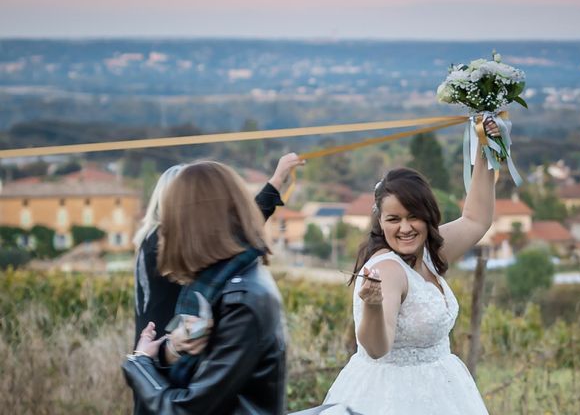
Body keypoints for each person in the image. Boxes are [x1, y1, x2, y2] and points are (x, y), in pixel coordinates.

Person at [323, 120, 500, 414]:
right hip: (394, 397)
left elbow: (476, 219)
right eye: (393, 219)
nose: (405, 228)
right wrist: (373, 305)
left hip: (441, 389)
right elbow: (376, 349)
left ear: (427, 217)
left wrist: (486, 148)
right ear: (380, 221)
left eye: (413, 217)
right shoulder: (389, 270)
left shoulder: (427, 253)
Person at [130, 153, 303, 414]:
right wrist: (168, 351)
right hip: (166, 343)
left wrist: (139, 363)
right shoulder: (230, 278)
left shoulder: (236, 297)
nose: (171, 230)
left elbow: (187, 408)